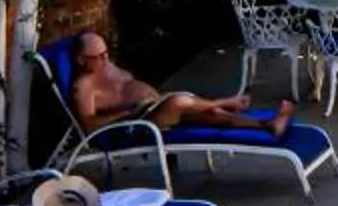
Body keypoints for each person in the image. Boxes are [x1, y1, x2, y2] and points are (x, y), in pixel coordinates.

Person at [69, 32, 295, 140]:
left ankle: (268, 125)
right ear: (81, 60)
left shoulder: (106, 68)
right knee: (179, 102)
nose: (105, 59)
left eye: (106, 53)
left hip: (154, 109)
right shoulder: (84, 86)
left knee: (212, 114)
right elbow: (90, 128)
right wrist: (127, 111)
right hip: (135, 124)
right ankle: (228, 101)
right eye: (98, 56)